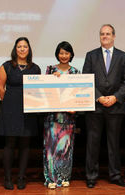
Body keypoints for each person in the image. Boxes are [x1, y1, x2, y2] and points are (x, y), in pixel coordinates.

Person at [82, 24, 125, 188]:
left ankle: (115, 175)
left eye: (108, 34)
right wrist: (99, 97)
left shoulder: (124, 56)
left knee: (114, 143)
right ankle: (91, 176)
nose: (105, 36)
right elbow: (86, 79)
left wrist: (116, 97)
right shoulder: (91, 55)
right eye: (102, 34)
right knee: (93, 142)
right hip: (95, 106)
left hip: (115, 107)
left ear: (114, 36)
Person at [0, 37, 41, 190]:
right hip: (10, 108)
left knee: (25, 145)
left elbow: (39, 90)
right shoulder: (6, 66)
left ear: (29, 50)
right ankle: (8, 178)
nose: (22, 49)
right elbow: (1, 89)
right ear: (15, 49)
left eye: (25, 47)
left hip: (28, 109)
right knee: (9, 144)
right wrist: (11, 102)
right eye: (19, 46)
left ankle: (22, 177)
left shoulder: (35, 68)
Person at [43, 41, 80, 189]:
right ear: (57, 54)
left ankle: (64, 177)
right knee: (51, 148)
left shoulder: (76, 72)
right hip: (52, 116)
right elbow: (45, 92)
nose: (64, 56)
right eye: (61, 53)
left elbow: (78, 94)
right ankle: (50, 179)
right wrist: (52, 79)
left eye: (66, 53)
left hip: (68, 117)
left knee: (65, 148)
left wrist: (75, 108)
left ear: (71, 54)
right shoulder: (50, 70)